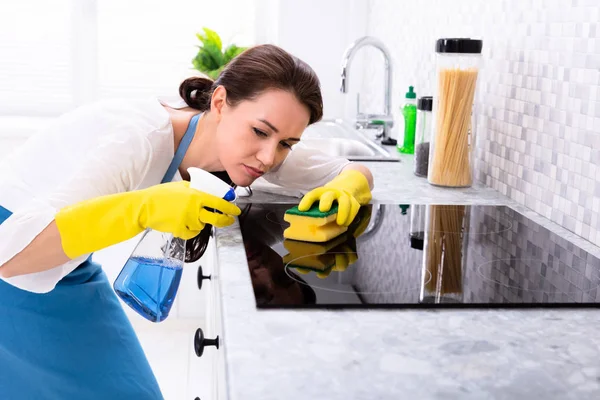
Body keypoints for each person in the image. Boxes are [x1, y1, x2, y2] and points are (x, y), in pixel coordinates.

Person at [0, 44, 374, 398]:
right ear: (221, 102)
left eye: (286, 143)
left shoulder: (247, 149)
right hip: (18, 254)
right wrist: (142, 207)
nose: (268, 157)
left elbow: (348, 171)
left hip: (68, 265)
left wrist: (351, 186)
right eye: (260, 132)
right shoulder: (138, 139)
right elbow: (11, 256)